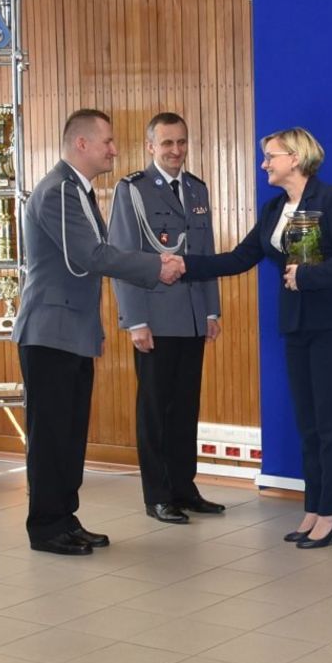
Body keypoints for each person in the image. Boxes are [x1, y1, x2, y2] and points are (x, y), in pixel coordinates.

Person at [182, 127, 332, 549]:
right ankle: (313, 508)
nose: (264, 163)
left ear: (296, 158)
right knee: (309, 425)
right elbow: (239, 257)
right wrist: (184, 266)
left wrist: (307, 276)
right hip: (297, 326)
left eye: (271, 156)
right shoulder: (273, 209)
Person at [13, 109, 182, 556]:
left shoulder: (76, 190)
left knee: (69, 435)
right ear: (81, 143)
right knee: (51, 437)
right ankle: (46, 527)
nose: (114, 149)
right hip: (49, 334)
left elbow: (81, 268)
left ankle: (64, 518)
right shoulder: (59, 191)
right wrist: (156, 265)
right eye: (107, 141)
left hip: (69, 331)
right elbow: (90, 256)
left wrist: (92, 328)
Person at [108, 112, 224, 524]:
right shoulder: (133, 190)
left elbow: (205, 254)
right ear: (150, 146)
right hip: (154, 318)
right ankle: (157, 495)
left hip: (192, 316)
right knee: (155, 409)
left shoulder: (196, 188)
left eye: (182, 142)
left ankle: (183, 488)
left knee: (186, 407)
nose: (176, 150)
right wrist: (135, 320)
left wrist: (211, 309)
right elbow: (123, 258)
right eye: (168, 143)